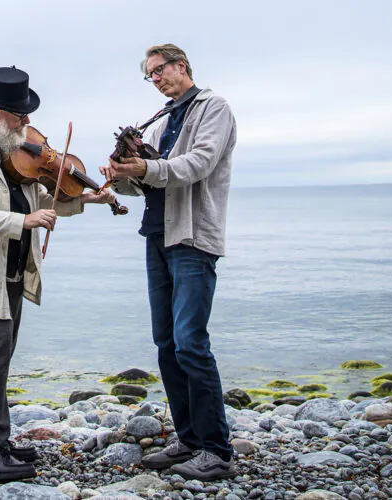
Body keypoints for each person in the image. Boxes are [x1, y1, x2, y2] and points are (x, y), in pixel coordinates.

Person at [0, 66, 115, 482]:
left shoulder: (16, 146)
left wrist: (86, 198)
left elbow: (42, 194)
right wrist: (25, 222)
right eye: (20, 117)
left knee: (2, 355)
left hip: (17, 267)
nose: (28, 124)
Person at [99, 44, 238, 481]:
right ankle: (190, 439)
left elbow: (197, 164)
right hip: (156, 235)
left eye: (160, 70)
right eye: (150, 75)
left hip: (193, 237)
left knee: (191, 342)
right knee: (166, 344)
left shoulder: (213, 107)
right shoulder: (162, 119)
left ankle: (217, 449)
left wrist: (145, 167)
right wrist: (123, 173)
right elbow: (147, 185)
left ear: (183, 66)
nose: (156, 79)